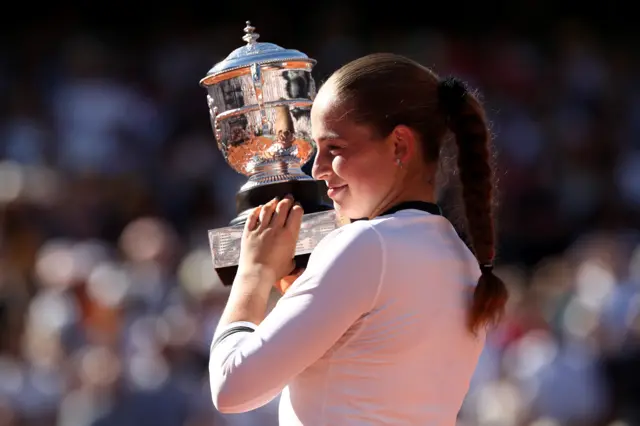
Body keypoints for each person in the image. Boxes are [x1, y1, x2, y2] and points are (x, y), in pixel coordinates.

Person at [208, 53, 508, 425]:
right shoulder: (461, 258)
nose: (317, 170)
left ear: (399, 145)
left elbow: (232, 388)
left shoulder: (365, 245)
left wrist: (254, 272)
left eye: (335, 149)